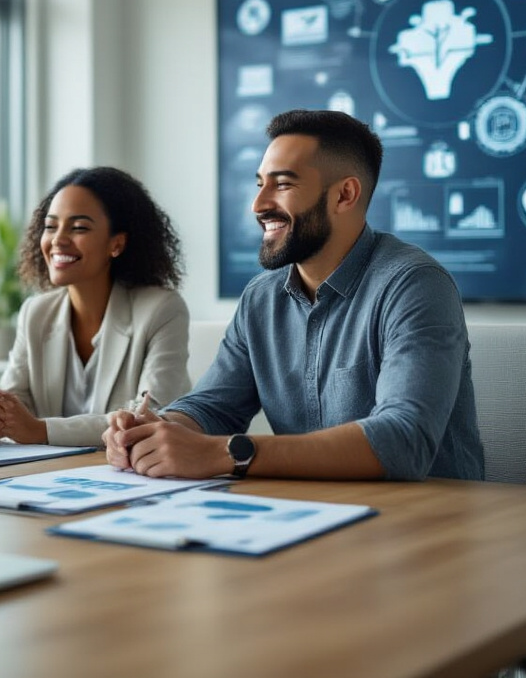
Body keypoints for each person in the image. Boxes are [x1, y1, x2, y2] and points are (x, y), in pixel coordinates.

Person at [104, 110, 484, 481]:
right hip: (312, 516)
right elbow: (213, 406)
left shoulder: (415, 285)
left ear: (344, 195)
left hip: (426, 524)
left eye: (282, 185)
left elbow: (403, 441)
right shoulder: (261, 298)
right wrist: (156, 430)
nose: (258, 205)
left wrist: (225, 453)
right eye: (259, 184)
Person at [0, 167, 191, 447]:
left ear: (117, 244)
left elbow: (149, 417)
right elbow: (12, 406)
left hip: (134, 473)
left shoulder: (161, 309)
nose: (58, 240)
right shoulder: (36, 313)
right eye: (51, 226)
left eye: (79, 228)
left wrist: (39, 430)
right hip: (48, 476)